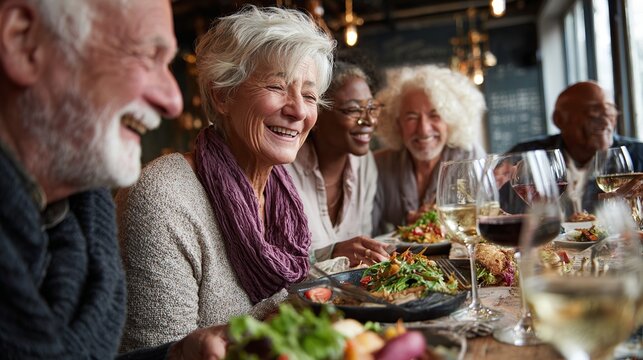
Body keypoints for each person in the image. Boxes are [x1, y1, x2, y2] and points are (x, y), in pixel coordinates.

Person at [0, 0, 228, 359]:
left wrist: (175, 356)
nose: (173, 101)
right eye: (146, 56)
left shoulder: (78, 217)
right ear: (24, 42)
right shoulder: (157, 193)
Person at [115, 6, 335, 352]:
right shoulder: (164, 196)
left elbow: (292, 284)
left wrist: (336, 259)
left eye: (309, 95)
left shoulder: (282, 191)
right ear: (222, 95)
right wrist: (295, 305)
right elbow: (161, 354)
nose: (298, 110)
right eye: (277, 86)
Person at [286, 60, 390, 267]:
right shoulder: (284, 170)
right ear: (316, 114)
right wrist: (329, 254)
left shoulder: (364, 163)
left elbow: (362, 255)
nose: (368, 121)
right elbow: (275, 266)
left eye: (371, 108)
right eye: (353, 110)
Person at [372, 65, 487, 235]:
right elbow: (370, 233)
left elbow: (484, 222)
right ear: (397, 123)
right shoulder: (379, 165)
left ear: (450, 120)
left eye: (435, 115)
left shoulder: (469, 157)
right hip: (404, 259)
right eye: (411, 117)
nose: (424, 129)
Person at [508, 81, 643, 213]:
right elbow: (499, 212)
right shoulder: (526, 156)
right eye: (594, 111)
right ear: (559, 119)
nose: (605, 120)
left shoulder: (638, 155)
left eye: (610, 111)